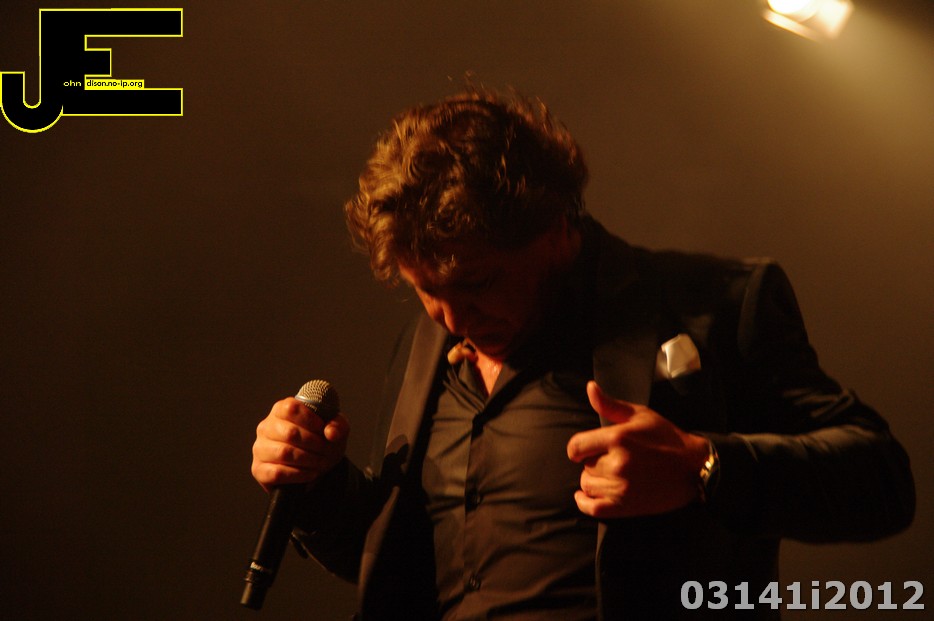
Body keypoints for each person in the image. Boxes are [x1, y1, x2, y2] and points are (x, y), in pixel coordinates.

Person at [251, 89, 915, 620]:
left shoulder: (713, 304)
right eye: (427, 291)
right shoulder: (428, 347)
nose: (453, 320)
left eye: (478, 284)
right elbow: (403, 567)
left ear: (554, 230)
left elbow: (881, 481)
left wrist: (704, 465)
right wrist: (318, 484)